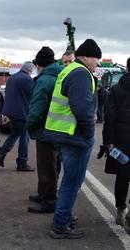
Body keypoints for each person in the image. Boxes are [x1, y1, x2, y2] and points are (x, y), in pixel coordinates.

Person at [45, 39, 102, 239]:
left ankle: (64, 216)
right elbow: (83, 109)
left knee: (68, 180)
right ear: (86, 56)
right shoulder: (81, 74)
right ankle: (60, 225)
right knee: (72, 182)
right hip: (74, 137)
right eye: (96, 58)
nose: (97, 63)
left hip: (63, 134)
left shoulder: (69, 70)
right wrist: (88, 134)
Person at [27, 47, 63, 213]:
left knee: (47, 166)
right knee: (49, 165)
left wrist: (29, 125)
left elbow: (37, 107)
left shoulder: (44, 80)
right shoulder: (59, 75)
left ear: (39, 64)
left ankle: (48, 201)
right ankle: (43, 194)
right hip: (56, 128)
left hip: (45, 129)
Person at [102, 57, 130, 229]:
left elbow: (109, 116)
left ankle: (120, 209)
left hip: (121, 137)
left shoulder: (116, 89)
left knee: (123, 174)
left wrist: (109, 141)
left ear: (127, 67)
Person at [0, 62, 35, 171]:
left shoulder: (12, 78)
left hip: (11, 112)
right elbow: (34, 95)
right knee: (24, 138)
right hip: (22, 113)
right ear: (29, 71)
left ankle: (2, 153)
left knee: (15, 134)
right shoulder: (27, 79)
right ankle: (21, 162)